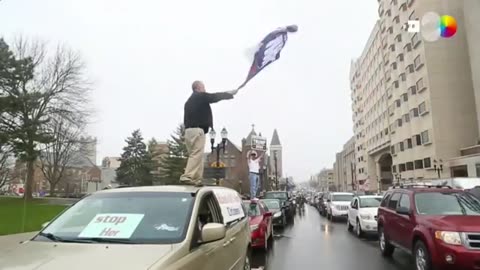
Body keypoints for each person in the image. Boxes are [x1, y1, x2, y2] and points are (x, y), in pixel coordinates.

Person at [180, 81, 239, 185]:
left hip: (188, 131)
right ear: (198, 88)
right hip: (197, 130)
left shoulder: (188, 101)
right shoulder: (199, 96)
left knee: (195, 155)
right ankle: (188, 176)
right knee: (196, 154)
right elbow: (213, 97)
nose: (205, 89)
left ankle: (196, 179)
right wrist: (229, 94)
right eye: (203, 87)